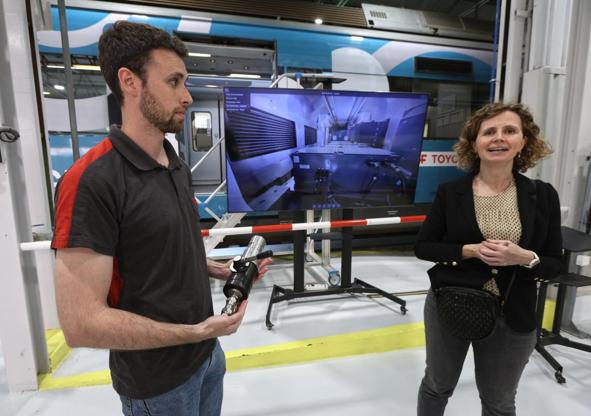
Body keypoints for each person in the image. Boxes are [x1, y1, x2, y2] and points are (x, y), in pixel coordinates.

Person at [51, 21, 272, 416]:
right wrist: (193, 332)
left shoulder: (174, 164)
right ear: (129, 82)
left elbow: (151, 248)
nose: (187, 96)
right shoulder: (91, 181)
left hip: (207, 360)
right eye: (174, 82)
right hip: (157, 385)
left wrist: (215, 269)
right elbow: (81, 323)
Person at [414, 102, 563, 416]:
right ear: (474, 143)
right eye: (489, 132)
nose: (499, 138)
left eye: (509, 131)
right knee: (437, 385)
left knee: (498, 401)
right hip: (452, 302)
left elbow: (554, 264)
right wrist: (470, 250)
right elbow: (424, 247)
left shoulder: (543, 195)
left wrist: (525, 257)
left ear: (524, 142)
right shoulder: (450, 192)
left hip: (513, 312)